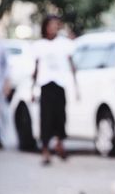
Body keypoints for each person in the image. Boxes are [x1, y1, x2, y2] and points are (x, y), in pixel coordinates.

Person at [31, 15, 78, 165]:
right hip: (45, 85)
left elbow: (72, 63)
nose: (53, 28)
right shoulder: (39, 45)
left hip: (60, 84)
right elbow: (36, 67)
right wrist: (32, 89)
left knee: (60, 116)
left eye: (55, 25)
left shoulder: (64, 44)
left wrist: (76, 85)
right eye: (50, 25)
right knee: (45, 118)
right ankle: (45, 150)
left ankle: (59, 144)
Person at [0, 40, 10, 149]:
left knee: (2, 114)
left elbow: (6, 66)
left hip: (0, 86)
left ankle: (0, 139)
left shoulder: (1, 46)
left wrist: (7, 84)